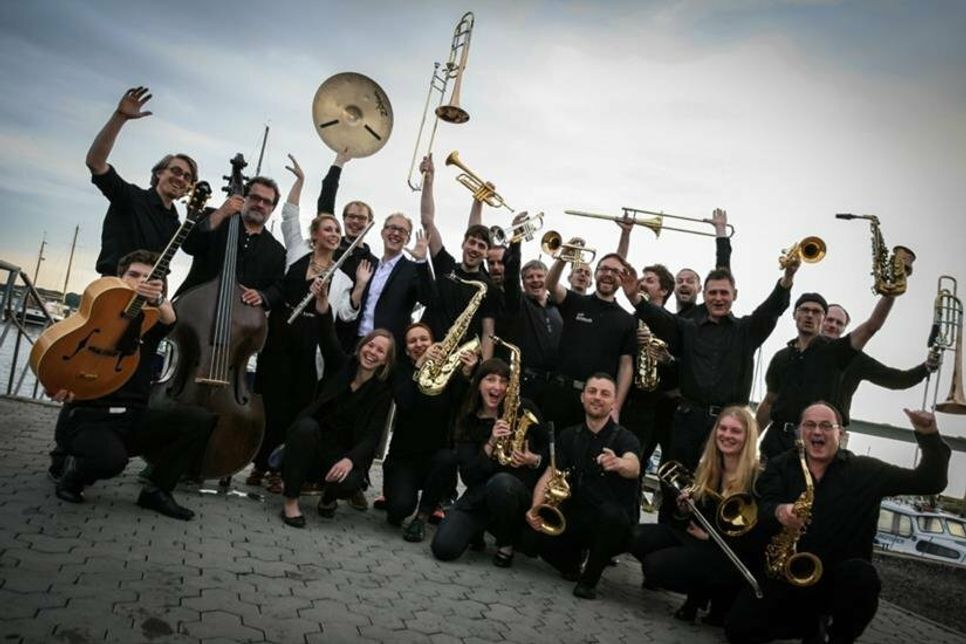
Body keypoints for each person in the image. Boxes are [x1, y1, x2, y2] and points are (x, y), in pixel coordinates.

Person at [725, 402, 951, 644]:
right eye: (809, 425)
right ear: (799, 432)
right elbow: (763, 507)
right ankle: (810, 624)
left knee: (862, 577)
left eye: (826, 426)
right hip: (788, 576)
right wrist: (780, 511)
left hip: (837, 581)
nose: (817, 432)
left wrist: (929, 436)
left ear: (841, 434)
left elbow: (930, 481)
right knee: (739, 630)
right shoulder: (781, 465)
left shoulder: (866, 471)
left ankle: (839, 637)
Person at [52, 250, 212, 520]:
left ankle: (157, 492)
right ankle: (72, 474)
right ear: (119, 278)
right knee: (110, 462)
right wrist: (58, 384)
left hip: (133, 418)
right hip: (91, 418)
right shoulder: (94, 314)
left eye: (148, 278)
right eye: (133, 275)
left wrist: (158, 298)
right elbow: (57, 355)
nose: (140, 281)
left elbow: (171, 319)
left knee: (199, 419)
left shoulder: (152, 318)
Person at [248, 158, 367, 491]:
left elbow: (345, 315)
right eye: (328, 229)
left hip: (310, 341)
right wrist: (300, 180)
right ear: (315, 234)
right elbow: (288, 214)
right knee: (269, 401)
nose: (334, 234)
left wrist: (354, 290)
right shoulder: (297, 250)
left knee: (296, 407)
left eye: (337, 232)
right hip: (281, 334)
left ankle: (278, 469)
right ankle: (258, 463)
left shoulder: (342, 276)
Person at [626, 262, 797, 472]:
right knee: (674, 482)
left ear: (734, 294)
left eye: (724, 293)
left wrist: (788, 276)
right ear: (704, 295)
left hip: (729, 424)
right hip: (688, 422)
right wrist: (634, 296)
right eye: (713, 293)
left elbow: (771, 309)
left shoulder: (747, 330)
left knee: (718, 486)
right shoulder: (688, 328)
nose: (718, 298)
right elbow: (662, 319)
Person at [629, 406, 762, 625]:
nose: (727, 435)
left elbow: (754, 535)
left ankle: (709, 596)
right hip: (698, 540)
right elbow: (687, 520)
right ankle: (700, 595)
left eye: (735, 431)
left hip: (728, 552)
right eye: (723, 428)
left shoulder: (757, 478)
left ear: (748, 437)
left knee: (656, 566)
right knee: (637, 536)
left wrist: (710, 538)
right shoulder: (708, 468)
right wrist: (684, 509)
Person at [279, 280, 394, 527]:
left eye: (380, 351)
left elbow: (371, 438)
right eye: (370, 345)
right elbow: (327, 335)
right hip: (314, 444)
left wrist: (350, 460)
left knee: (350, 480)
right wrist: (322, 302)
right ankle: (291, 502)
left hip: (342, 455)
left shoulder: (382, 393)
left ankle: (329, 498)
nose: (373, 352)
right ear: (361, 347)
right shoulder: (341, 365)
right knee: (305, 427)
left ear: (385, 361)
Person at [526, 374, 640, 599]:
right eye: (592, 391)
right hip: (579, 517)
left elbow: (634, 465)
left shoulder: (626, 439)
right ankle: (573, 563)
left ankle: (588, 582)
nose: (597, 397)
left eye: (605, 394)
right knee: (533, 539)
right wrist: (535, 509)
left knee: (612, 515)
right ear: (582, 397)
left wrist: (618, 463)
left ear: (614, 402)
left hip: (610, 526)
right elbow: (551, 473)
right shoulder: (569, 435)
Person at [431, 358, 547, 566]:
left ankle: (506, 543)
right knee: (443, 548)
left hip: (517, 496)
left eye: (503, 381)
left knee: (502, 483)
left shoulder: (524, 409)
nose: (497, 387)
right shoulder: (468, 420)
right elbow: (469, 476)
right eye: (490, 380)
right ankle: (482, 528)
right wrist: (491, 442)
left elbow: (551, 451)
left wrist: (534, 459)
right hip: (480, 495)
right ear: (478, 384)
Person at [757, 292, 896, 459]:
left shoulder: (836, 353)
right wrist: (751, 437)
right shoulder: (781, 357)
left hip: (812, 445)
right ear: (795, 315)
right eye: (805, 310)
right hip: (775, 443)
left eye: (816, 312)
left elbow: (871, 326)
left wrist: (891, 289)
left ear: (823, 319)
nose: (809, 315)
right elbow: (769, 401)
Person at [85, 86, 198, 277]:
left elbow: (161, 269)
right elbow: (95, 162)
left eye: (187, 177)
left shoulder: (175, 224)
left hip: (146, 299)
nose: (180, 178)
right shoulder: (130, 197)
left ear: (189, 187)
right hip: (113, 288)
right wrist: (119, 117)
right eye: (176, 171)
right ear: (159, 174)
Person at [385, 323, 476, 541]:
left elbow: (461, 404)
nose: (419, 344)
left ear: (434, 342)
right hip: (403, 458)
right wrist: (419, 365)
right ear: (406, 349)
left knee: (447, 458)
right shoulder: (402, 370)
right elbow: (404, 402)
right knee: (398, 510)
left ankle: (422, 517)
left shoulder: (448, 370)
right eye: (413, 341)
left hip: (434, 458)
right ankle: (402, 501)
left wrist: (465, 373)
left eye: (424, 339)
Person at [543, 250, 637, 431]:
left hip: (595, 403)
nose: (608, 274)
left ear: (623, 278)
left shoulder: (627, 320)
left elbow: (626, 366)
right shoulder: (575, 301)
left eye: (615, 271)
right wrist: (564, 256)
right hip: (559, 394)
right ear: (597, 273)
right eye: (604, 269)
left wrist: (615, 407)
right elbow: (550, 284)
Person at [419, 155, 497, 360]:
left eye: (481, 246)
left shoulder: (488, 285)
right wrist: (429, 180)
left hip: (460, 362)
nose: (475, 248)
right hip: (430, 352)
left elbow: (488, 332)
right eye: (471, 242)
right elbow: (428, 222)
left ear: (487, 253)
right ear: (463, 244)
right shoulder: (446, 265)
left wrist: (483, 369)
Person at [176, 175, 286, 306]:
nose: (260, 204)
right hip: (195, 305)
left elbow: (279, 288)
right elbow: (189, 245)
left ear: (272, 208)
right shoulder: (215, 217)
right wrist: (222, 213)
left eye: (267, 202)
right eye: (255, 198)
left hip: (241, 319)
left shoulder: (277, 251)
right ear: (243, 198)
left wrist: (262, 296)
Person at [821, 303, 935, 427]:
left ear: (844, 328)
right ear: (820, 319)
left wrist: (925, 367)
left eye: (839, 323)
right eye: (829, 320)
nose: (833, 325)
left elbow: (898, 380)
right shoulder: (799, 349)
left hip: (833, 427)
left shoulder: (856, 359)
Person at [514, 260, 563, 410]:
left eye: (540, 276)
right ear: (522, 282)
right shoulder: (519, 304)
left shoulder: (558, 307)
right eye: (529, 277)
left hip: (555, 385)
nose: (535, 280)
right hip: (528, 384)